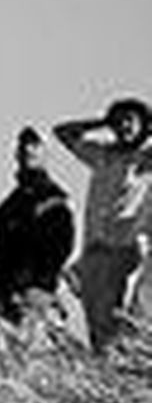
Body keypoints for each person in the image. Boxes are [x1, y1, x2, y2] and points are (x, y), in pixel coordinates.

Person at [53, 97, 152, 349]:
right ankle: (107, 369)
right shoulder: (102, 153)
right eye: (119, 122)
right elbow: (63, 132)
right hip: (95, 245)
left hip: (125, 246)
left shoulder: (146, 158)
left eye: (131, 121)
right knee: (97, 320)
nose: (124, 127)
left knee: (129, 315)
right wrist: (101, 122)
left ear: (143, 125)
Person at [0, 126, 75, 321]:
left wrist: (39, 288)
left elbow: (60, 248)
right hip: (4, 298)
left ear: (46, 154)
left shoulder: (53, 199)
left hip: (34, 298)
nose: (28, 149)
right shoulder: (9, 205)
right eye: (23, 145)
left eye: (35, 145)